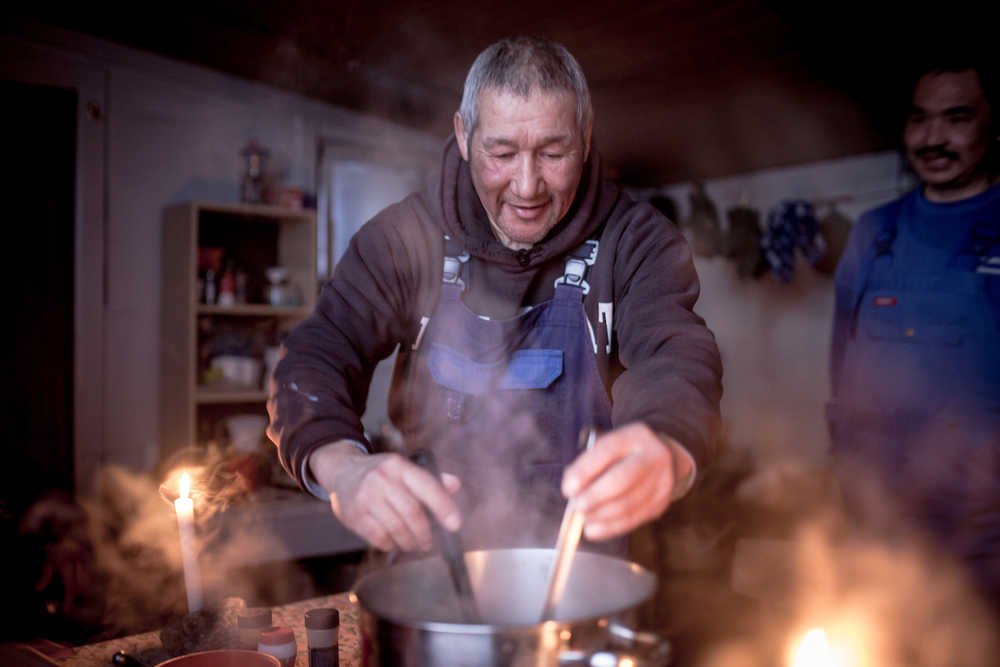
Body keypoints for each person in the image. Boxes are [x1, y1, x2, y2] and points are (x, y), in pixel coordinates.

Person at [268, 36, 722, 555]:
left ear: (586, 136)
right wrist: (340, 466)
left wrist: (665, 444)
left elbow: (677, 360)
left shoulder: (636, 241)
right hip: (436, 575)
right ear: (464, 137)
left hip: (588, 575)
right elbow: (317, 353)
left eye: (554, 153)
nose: (527, 186)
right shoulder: (402, 238)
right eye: (501, 153)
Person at [828, 54, 1000, 609]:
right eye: (919, 119)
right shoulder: (875, 232)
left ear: (992, 125)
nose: (933, 138)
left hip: (985, 531)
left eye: (956, 118)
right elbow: (840, 364)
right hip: (879, 517)